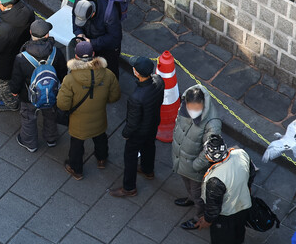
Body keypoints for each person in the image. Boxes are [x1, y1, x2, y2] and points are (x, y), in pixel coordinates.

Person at [57, 40, 120, 179]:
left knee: (77, 145)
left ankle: (76, 170)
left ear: (76, 56)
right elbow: (114, 96)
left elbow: (62, 104)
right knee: (100, 138)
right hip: (99, 117)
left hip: (78, 121)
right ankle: (102, 159)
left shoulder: (70, 79)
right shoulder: (108, 74)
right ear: (93, 54)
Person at [9, 19, 67, 152]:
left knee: (28, 117)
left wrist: (14, 91)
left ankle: (30, 143)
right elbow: (63, 73)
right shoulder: (56, 52)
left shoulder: (21, 57)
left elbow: (16, 78)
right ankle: (51, 139)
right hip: (51, 92)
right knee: (51, 115)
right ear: (47, 35)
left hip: (28, 94)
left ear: (30, 33)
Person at [110, 55, 164, 197]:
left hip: (139, 132)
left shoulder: (136, 97)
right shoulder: (159, 81)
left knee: (130, 156)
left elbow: (133, 122)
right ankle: (148, 170)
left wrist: (126, 134)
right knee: (149, 145)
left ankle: (129, 187)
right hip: (153, 123)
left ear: (137, 73)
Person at [172, 85, 223, 230]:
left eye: (196, 108)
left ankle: (199, 217)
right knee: (189, 187)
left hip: (195, 167)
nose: (192, 111)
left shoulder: (212, 123)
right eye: (190, 107)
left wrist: (195, 165)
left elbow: (210, 150)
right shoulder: (183, 108)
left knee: (199, 195)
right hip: (182, 160)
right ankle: (190, 199)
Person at [198, 136, 255, 244]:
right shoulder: (241, 153)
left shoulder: (215, 180)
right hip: (244, 206)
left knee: (221, 239)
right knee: (239, 232)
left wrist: (207, 220)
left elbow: (213, 207)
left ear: (209, 157)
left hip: (226, 216)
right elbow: (251, 173)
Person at [0, 0, 34, 112]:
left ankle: (10, 103)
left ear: (1, 5)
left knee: (4, 84)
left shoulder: (4, 29)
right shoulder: (28, 11)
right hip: (22, 53)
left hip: (5, 62)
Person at [72, 0, 123, 80]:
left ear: (93, 13)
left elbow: (115, 38)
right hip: (90, 42)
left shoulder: (110, 14)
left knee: (110, 73)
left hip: (107, 49)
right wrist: (79, 33)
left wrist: (92, 43)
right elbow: (75, 18)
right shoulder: (79, 2)